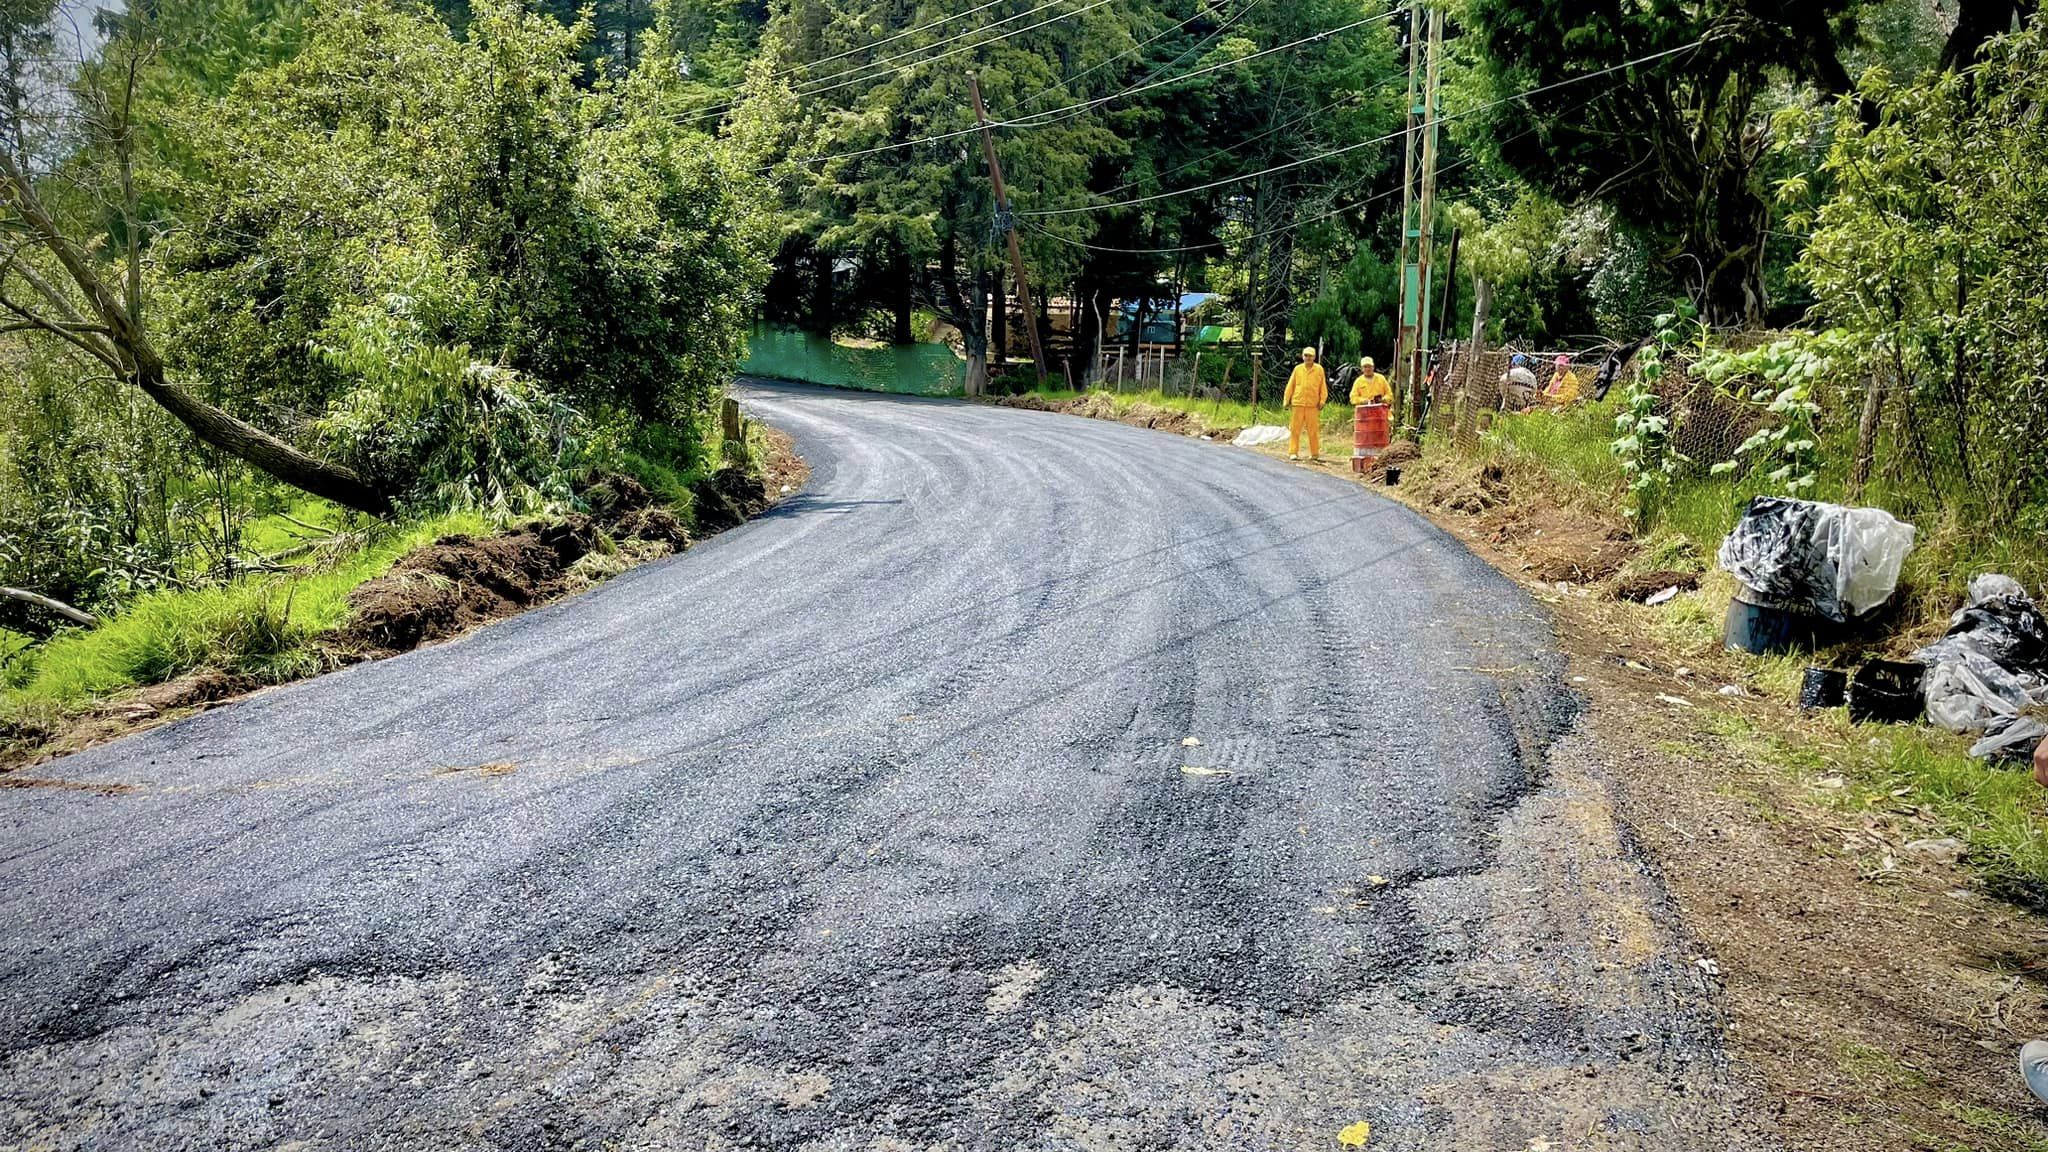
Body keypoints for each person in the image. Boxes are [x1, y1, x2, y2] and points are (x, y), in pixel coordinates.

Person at [1283, 346, 1328, 460]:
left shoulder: (1319, 369)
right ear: (1303, 356)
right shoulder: (1297, 369)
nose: (1308, 358)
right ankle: (1293, 452)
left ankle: (1314, 453)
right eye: (1306, 355)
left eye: (1310, 356)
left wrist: (1322, 400)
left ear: (1314, 357)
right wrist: (1286, 400)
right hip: (1298, 403)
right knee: (1295, 429)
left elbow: (1323, 386)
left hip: (1312, 405)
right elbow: (1291, 385)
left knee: (1313, 430)